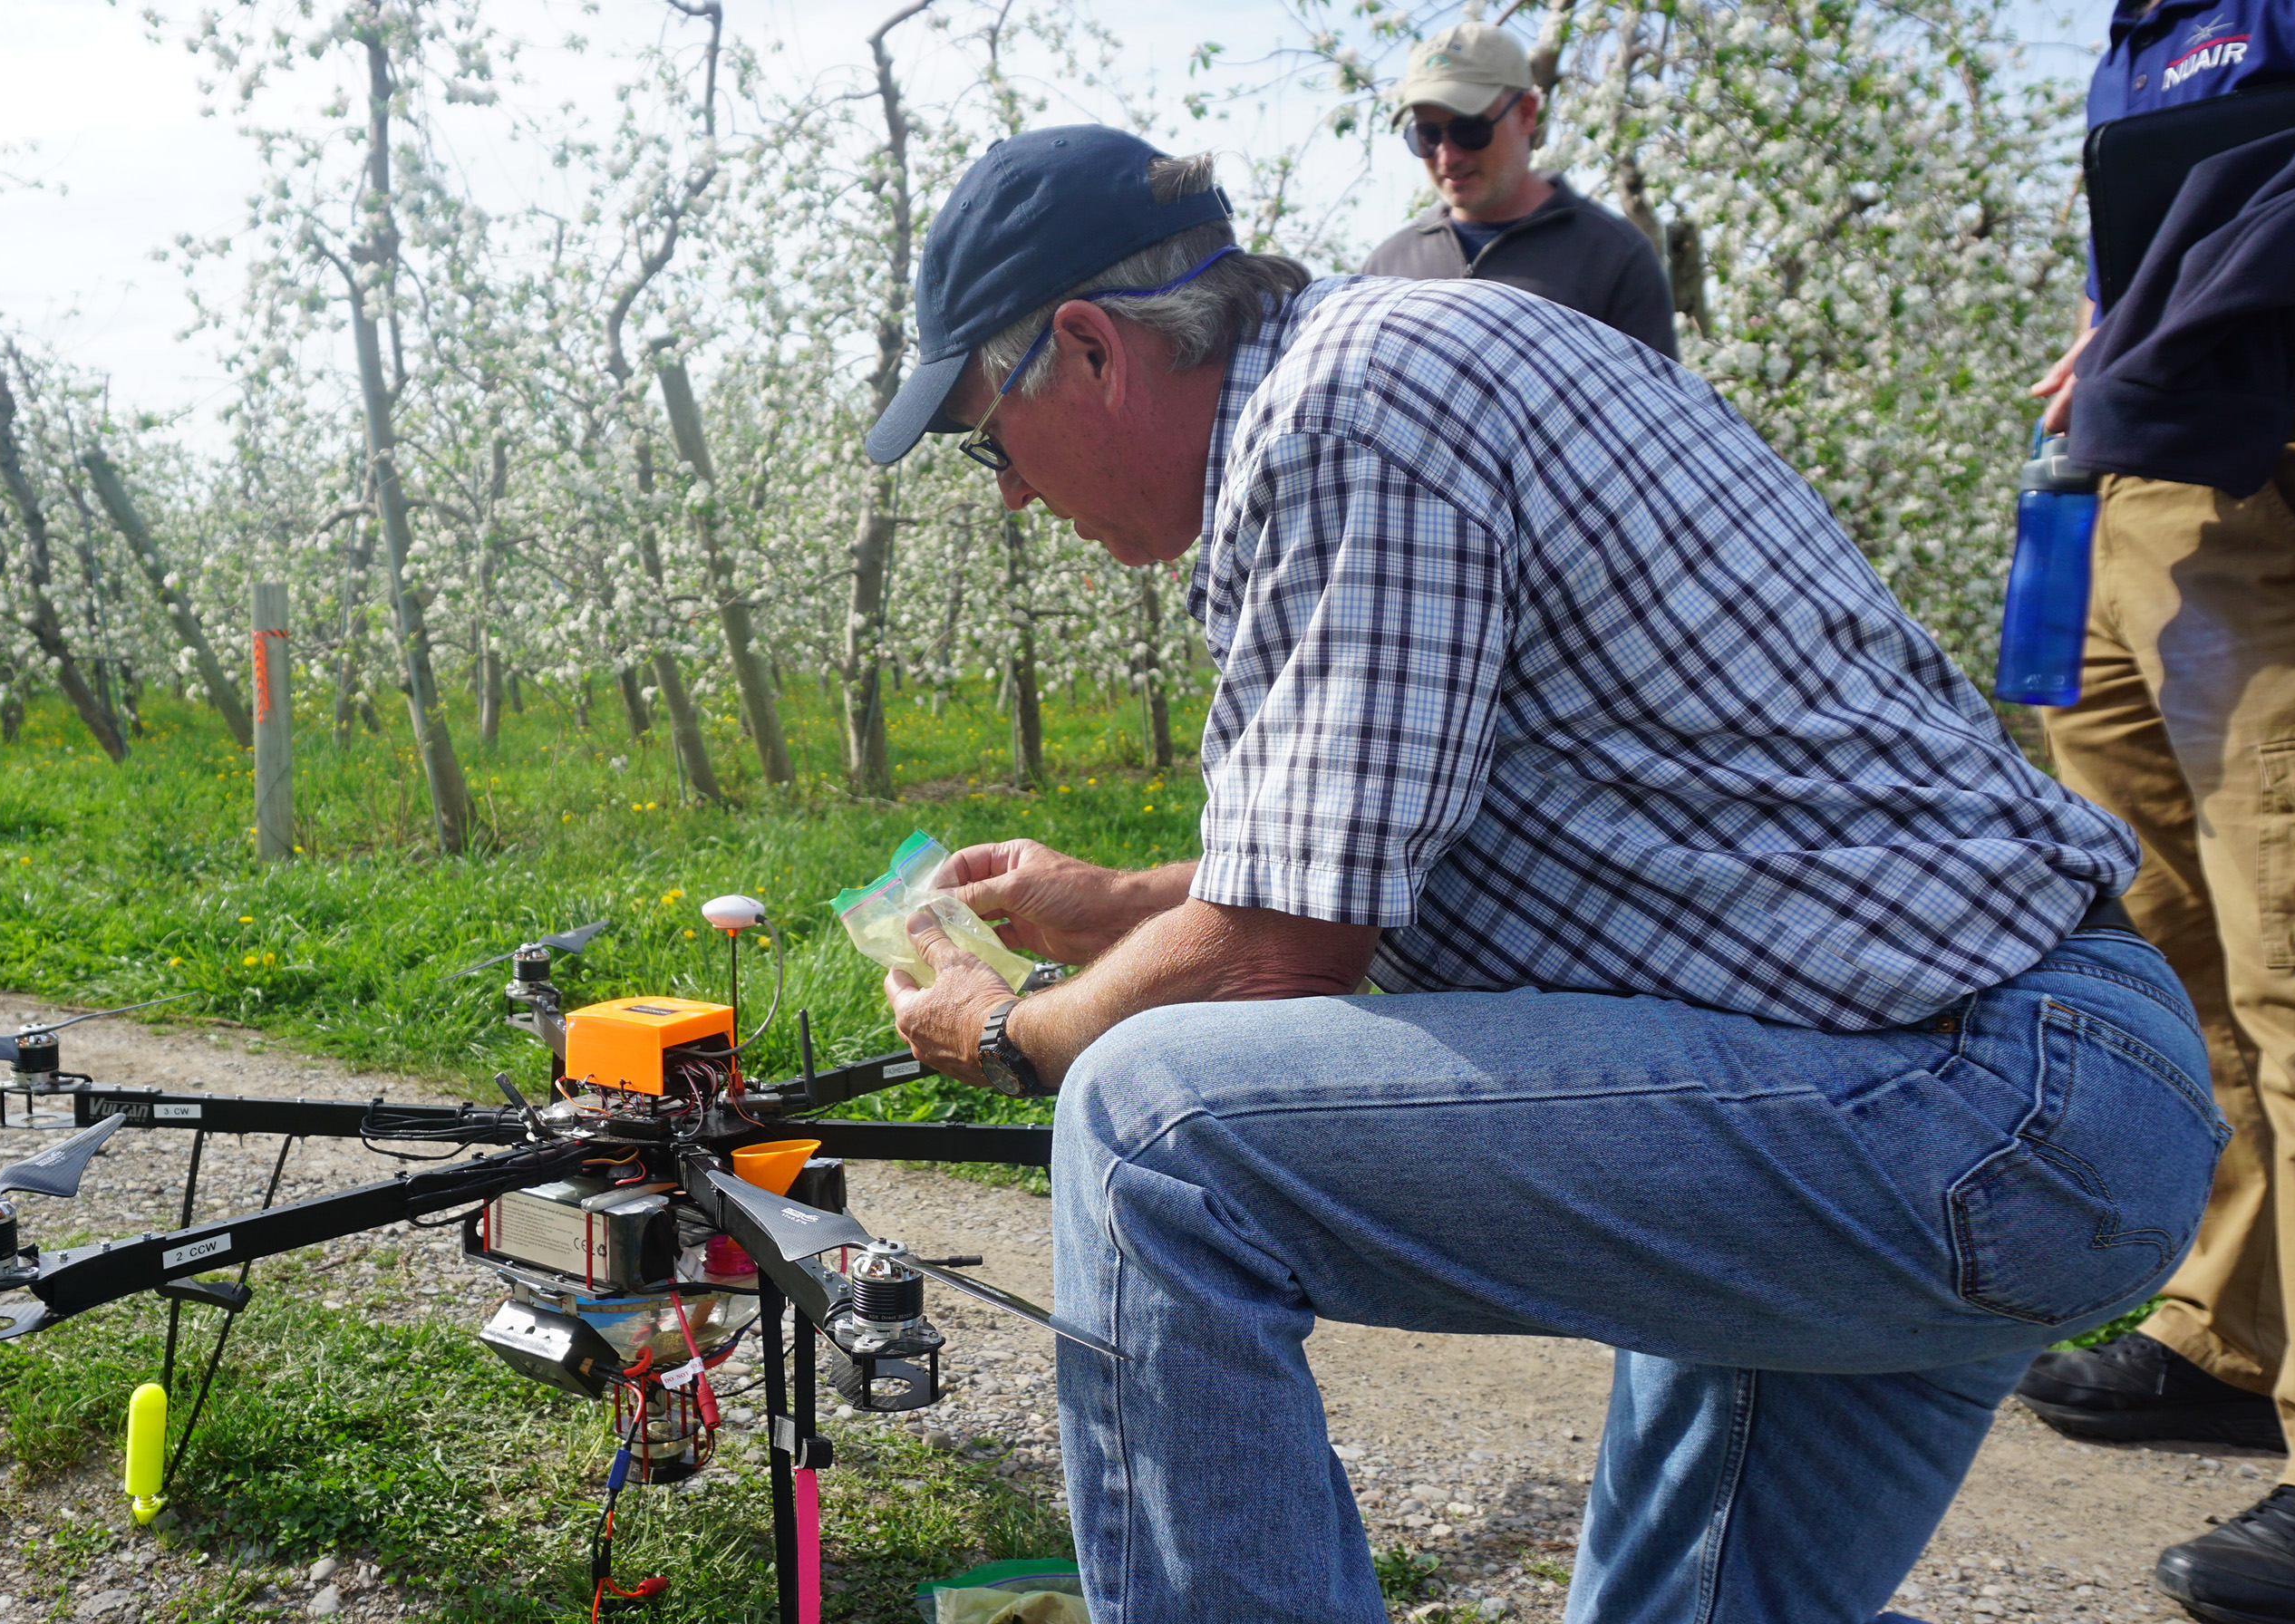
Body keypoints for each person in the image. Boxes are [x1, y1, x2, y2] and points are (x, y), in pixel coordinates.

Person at [858, 123, 2223, 1624]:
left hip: (1959, 1101)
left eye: (989, 439)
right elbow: (1370, 838)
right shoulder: (1406, 362)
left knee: (1152, 1130)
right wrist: (1118, 901)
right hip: (1987, 1081)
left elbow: (1272, 954)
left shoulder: (1338, 416)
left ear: (1090, 346)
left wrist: (1008, 1029)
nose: (1008, 496)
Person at [2010, 0, 2295, 1613]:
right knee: (2173, 947)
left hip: (2285, 467)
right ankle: (2231, 1324)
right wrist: (2120, 337)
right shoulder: (2136, 30)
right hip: (2129, 495)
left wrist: (2214, 320)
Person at [1359, 20, 1679, 359]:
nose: (1447, 157)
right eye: (1427, 135)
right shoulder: (1384, 271)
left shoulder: (1614, 257)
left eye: (1470, 129)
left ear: (1526, 113)